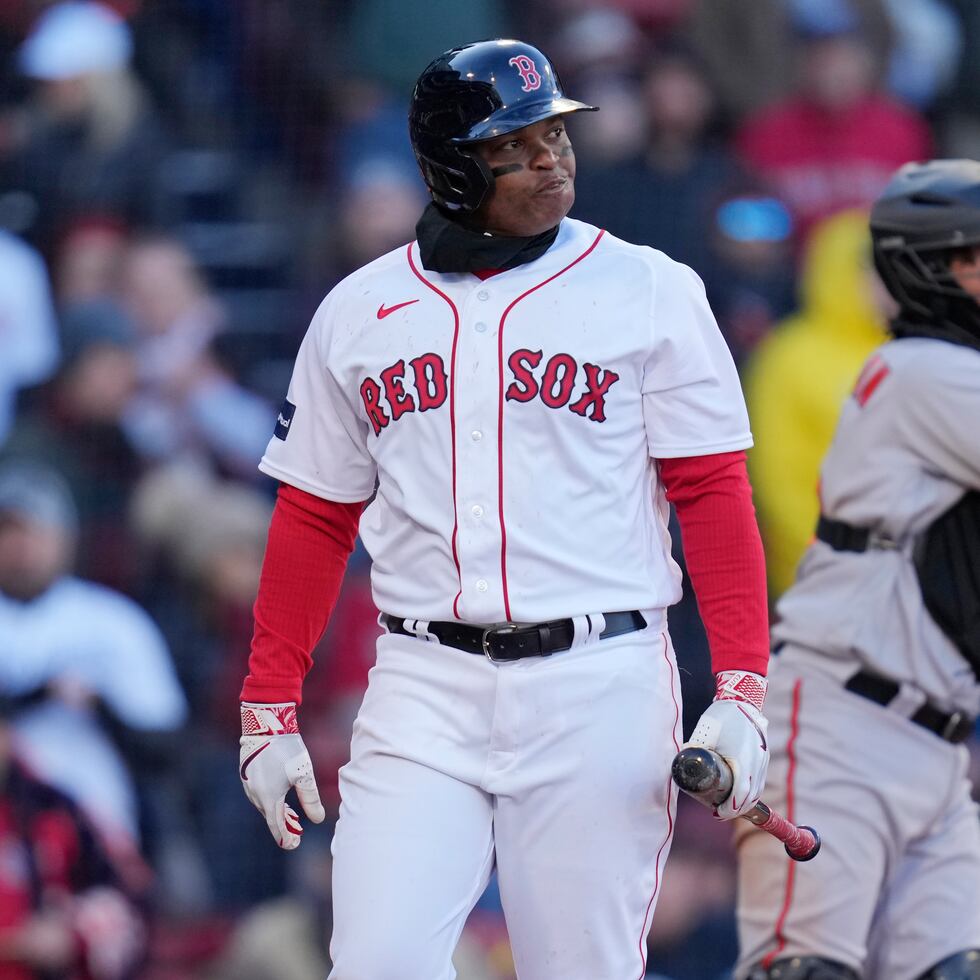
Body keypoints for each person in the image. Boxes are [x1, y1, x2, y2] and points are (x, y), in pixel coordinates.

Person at [238, 38, 772, 979]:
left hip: (597, 683)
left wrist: (741, 689)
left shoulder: (650, 290)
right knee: (377, 966)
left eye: (555, 134)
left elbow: (714, 493)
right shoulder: (359, 310)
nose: (550, 158)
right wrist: (267, 706)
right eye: (514, 143)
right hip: (420, 684)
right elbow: (316, 516)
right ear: (451, 163)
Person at [735, 160, 980, 980]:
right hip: (843, 726)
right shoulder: (929, 372)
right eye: (975, 256)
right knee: (806, 971)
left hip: (939, 746)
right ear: (929, 266)